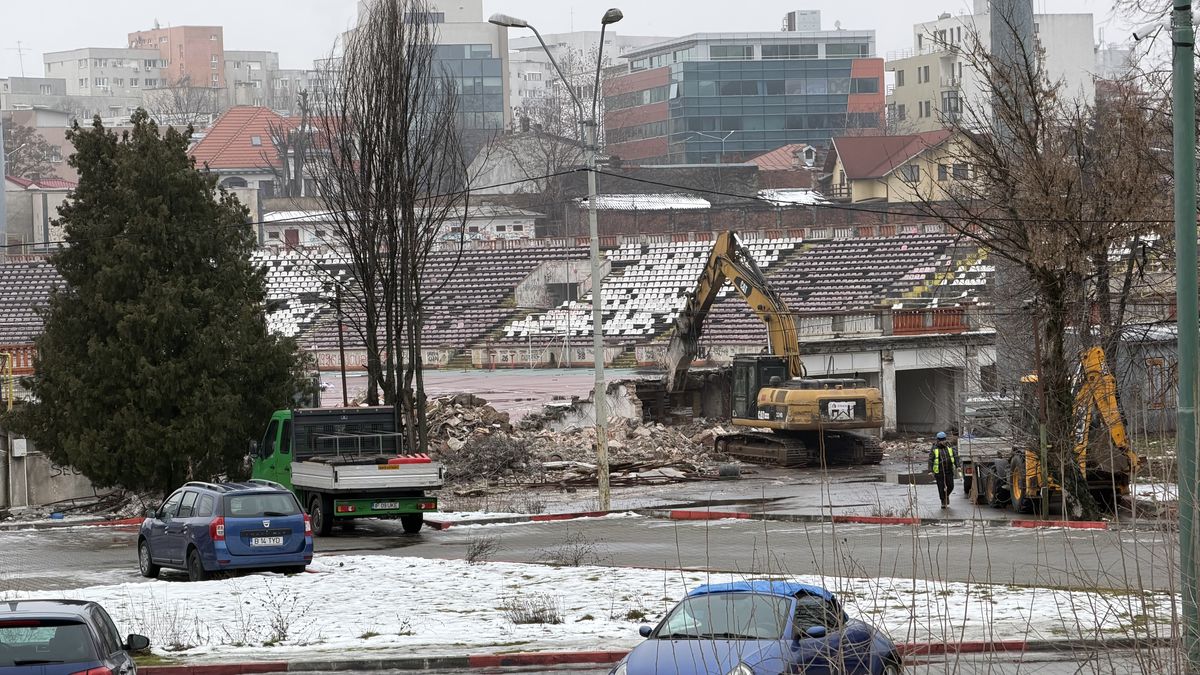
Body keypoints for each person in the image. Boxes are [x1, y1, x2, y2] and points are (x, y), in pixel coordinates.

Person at [928, 431, 958, 509]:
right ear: (938, 440)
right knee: (941, 487)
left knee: (951, 486)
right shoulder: (934, 448)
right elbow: (931, 460)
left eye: (943, 439)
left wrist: (958, 466)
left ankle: (946, 495)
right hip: (939, 472)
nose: (942, 441)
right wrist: (930, 470)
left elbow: (955, 456)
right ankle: (943, 501)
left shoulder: (949, 446)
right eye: (941, 440)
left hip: (949, 470)